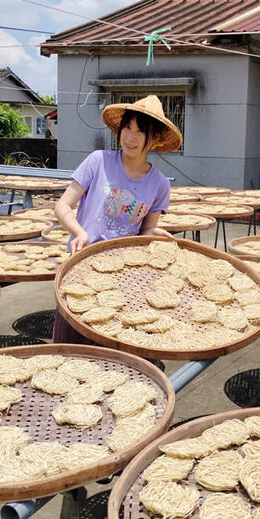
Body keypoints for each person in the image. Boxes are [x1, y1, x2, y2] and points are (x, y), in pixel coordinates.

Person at [52, 94, 183, 343]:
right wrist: (80, 233)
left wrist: (153, 237)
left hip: (122, 281)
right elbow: (62, 207)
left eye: (140, 132)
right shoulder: (98, 161)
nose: (130, 137)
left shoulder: (159, 184)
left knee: (109, 354)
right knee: (69, 349)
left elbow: (144, 232)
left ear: (154, 138)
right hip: (81, 269)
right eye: (127, 128)